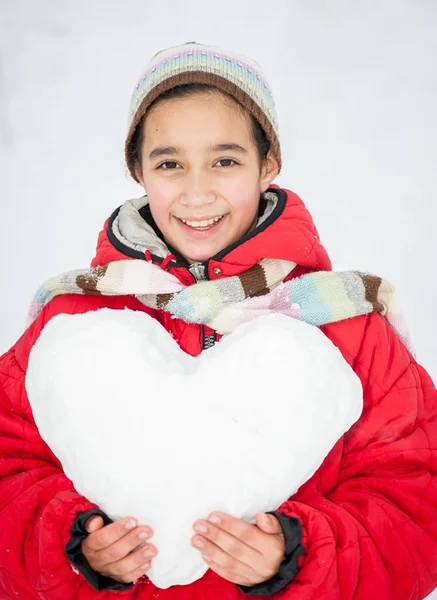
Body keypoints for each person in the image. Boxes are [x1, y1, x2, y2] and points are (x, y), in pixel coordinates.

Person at [0, 41, 436, 600]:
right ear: (139, 170)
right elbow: (9, 470)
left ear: (267, 165)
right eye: (170, 163)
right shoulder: (74, 324)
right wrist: (73, 548)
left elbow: (418, 506)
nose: (198, 190)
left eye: (225, 160)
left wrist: (297, 556)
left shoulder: (347, 327)